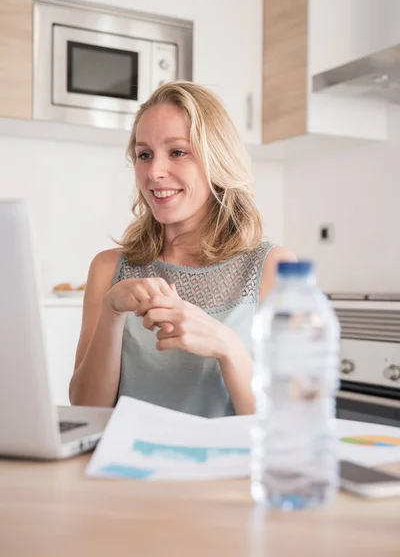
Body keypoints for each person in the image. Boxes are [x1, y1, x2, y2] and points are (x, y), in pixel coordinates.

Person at [69, 81, 296, 417]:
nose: (155, 172)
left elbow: (284, 423)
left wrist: (227, 346)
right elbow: (86, 408)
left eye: (177, 152)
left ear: (217, 159)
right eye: (144, 155)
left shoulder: (272, 268)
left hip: (226, 468)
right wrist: (111, 312)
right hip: (124, 466)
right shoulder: (108, 268)